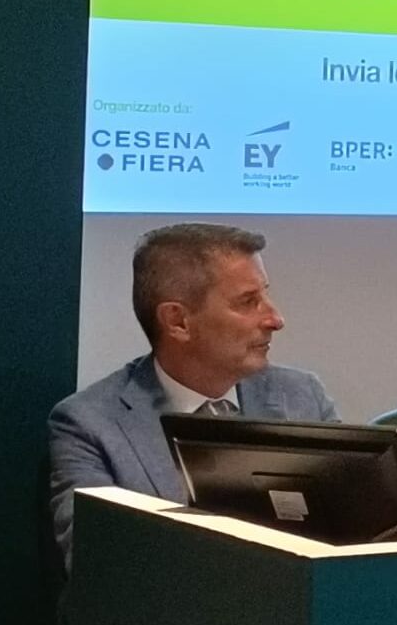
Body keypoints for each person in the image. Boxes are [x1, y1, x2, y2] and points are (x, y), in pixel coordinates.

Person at [47, 223, 338, 564]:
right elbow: (99, 561)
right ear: (178, 321)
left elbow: (358, 534)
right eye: (248, 302)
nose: (275, 319)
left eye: (265, 296)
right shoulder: (89, 425)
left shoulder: (303, 398)